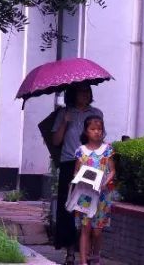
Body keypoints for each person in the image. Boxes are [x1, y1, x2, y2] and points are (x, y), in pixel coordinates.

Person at [51, 85, 102, 264]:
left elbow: (99, 138)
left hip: (90, 164)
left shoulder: (96, 113)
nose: (85, 95)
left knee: (87, 208)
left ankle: (86, 254)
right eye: (81, 92)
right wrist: (65, 121)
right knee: (69, 208)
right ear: (73, 94)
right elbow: (56, 141)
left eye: (87, 91)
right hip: (69, 163)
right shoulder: (64, 113)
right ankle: (70, 252)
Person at [72, 115, 116, 265]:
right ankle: (84, 261)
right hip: (85, 195)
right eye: (93, 129)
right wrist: (82, 181)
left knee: (97, 230)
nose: (97, 132)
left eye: (99, 129)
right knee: (85, 228)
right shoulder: (81, 151)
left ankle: (96, 255)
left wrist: (105, 183)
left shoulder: (107, 150)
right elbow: (76, 172)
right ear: (86, 131)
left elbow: (112, 171)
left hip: (102, 195)